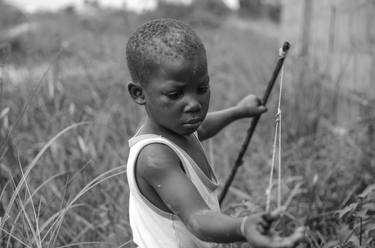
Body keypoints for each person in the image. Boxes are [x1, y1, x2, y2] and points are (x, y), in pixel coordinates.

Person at [125, 18, 304, 248]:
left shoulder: (177, 128)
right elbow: (198, 218)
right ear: (139, 93)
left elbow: (203, 128)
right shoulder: (155, 157)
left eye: (201, 89)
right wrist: (243, 226)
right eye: (175, 94)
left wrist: (238, 111)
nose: (194, 104)